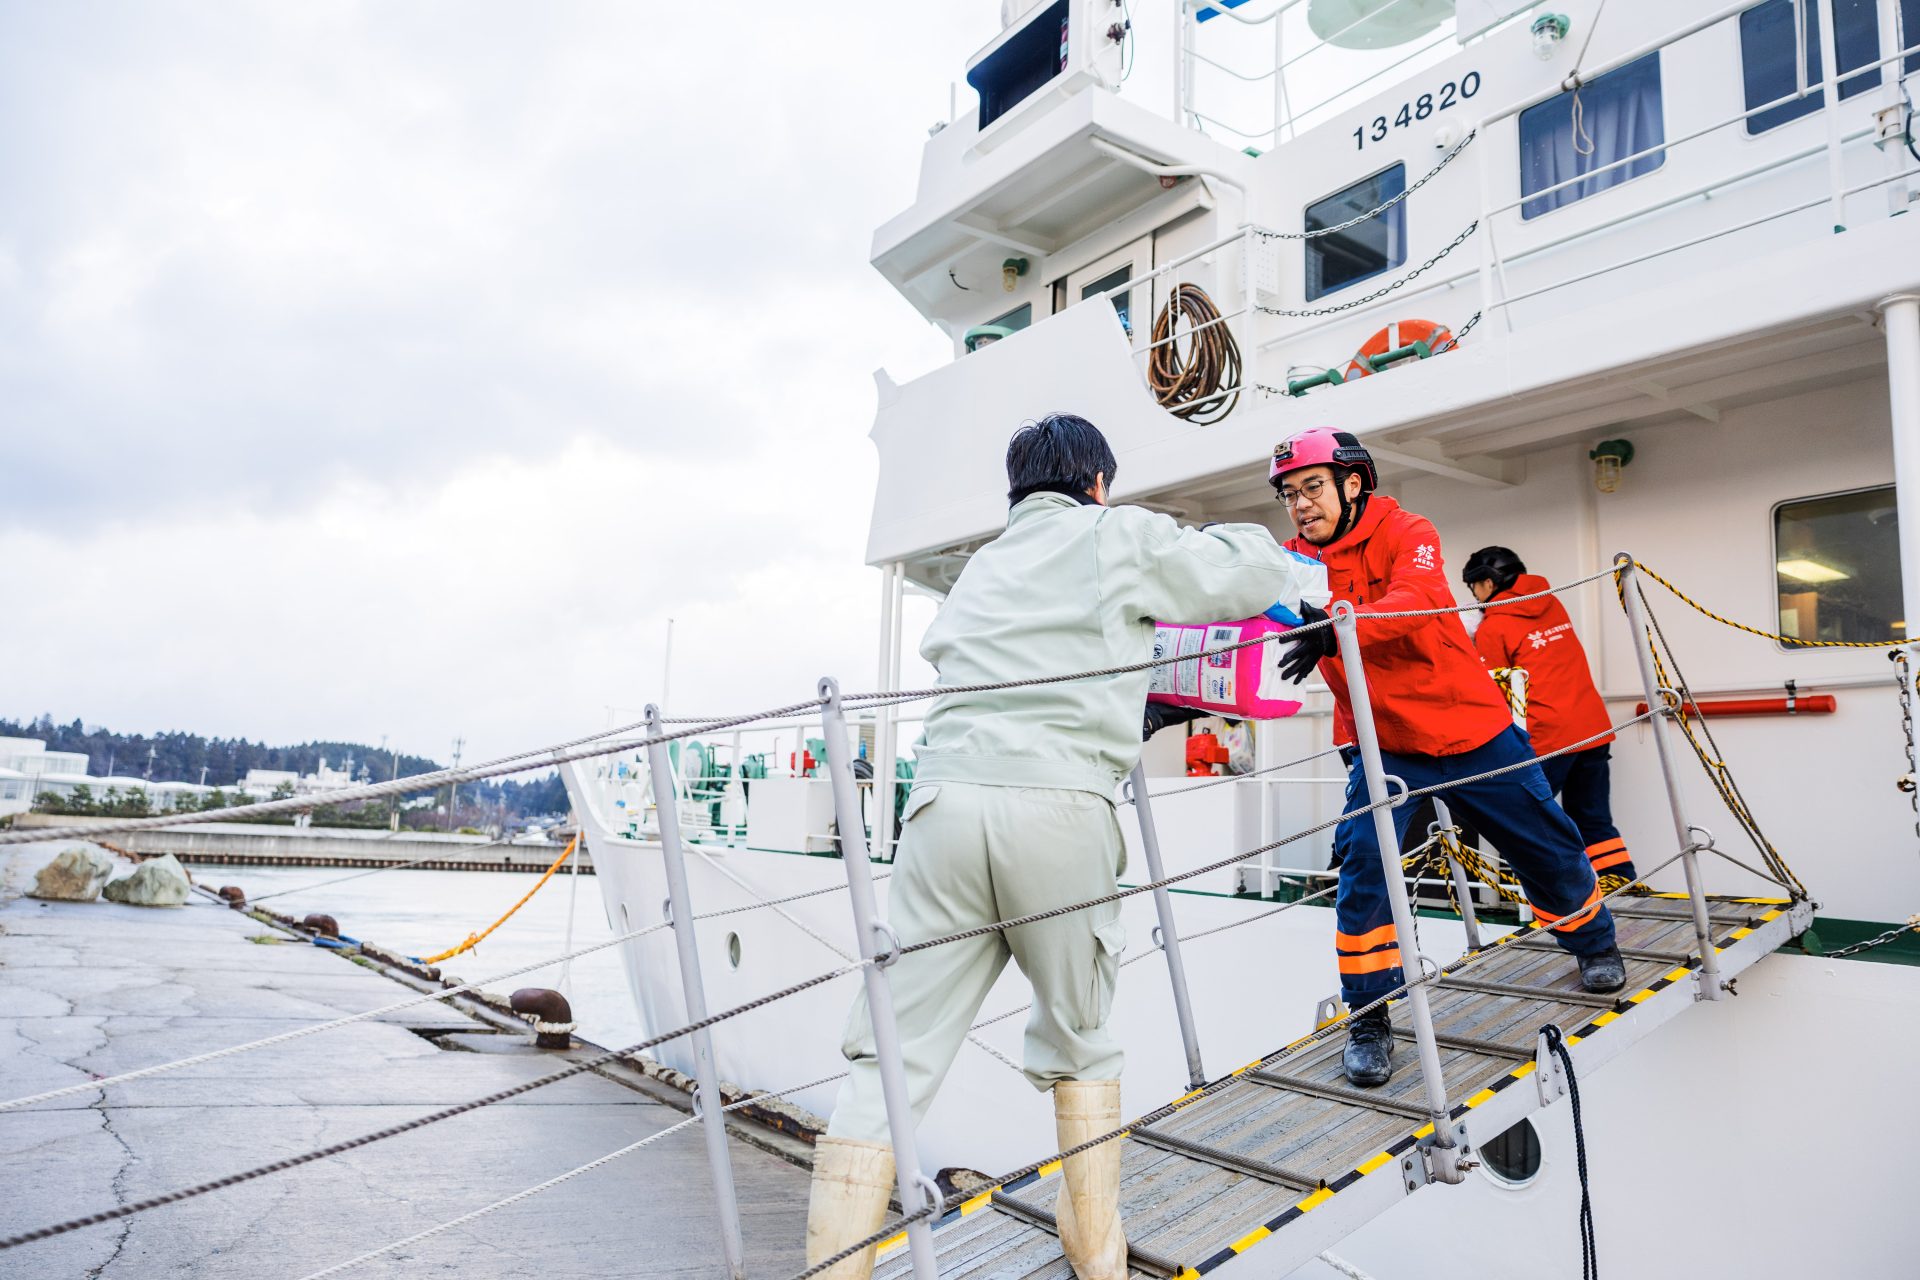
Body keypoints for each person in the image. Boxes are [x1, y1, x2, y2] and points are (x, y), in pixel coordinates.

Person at [806, 413, 1321, 1280]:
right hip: (1057, 810)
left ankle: (832, 1269)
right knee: (1080, 1042)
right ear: (1096, 483)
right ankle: (1097, 1257)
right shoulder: (1111, 531)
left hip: (941, 809)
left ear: (1016, 492)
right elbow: (1240, 573)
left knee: (892, 1053)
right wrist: (1271, 553)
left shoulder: (979, 569)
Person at [1266, 427, 1626, 1090]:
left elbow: (1419, 599)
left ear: (1353, 483)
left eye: (1311, 488)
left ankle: (1593, 940)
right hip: (1385, 750)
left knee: (1546, 844)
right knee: (1365, 881)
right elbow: (1241, 624)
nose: (1300, 505)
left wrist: (1333, 621)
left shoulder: (1409, 530)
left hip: (1472, 731)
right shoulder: (1290, 561)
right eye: (1290, 494)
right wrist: (1172, 700)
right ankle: (1370, 1018)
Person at [1464, 546, 1637, 889]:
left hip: (1549, 738)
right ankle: (1621, 886)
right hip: (1592, 730)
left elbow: (1496, 691)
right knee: (1593, 818)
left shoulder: (1494, 627)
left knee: (1527, 823)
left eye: (1474, 587)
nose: (1473, 596)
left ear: (1487, 583)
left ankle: (1558, 896)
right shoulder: (1551, 602)